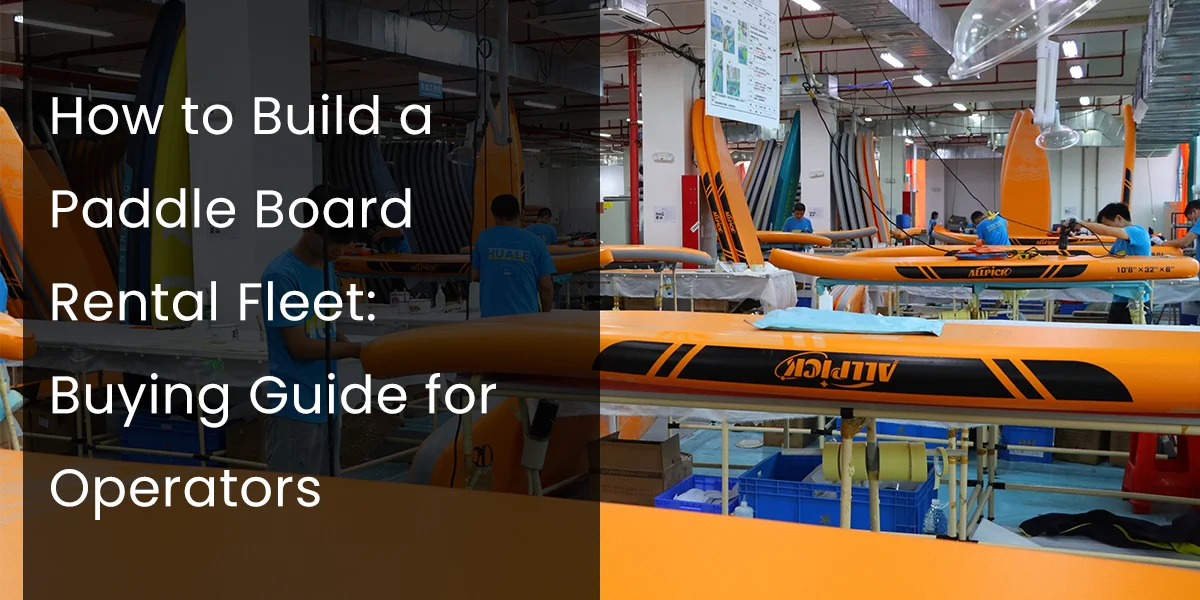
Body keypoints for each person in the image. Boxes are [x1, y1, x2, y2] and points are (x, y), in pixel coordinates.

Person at [261, 185, 363, 476]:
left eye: (345, 243)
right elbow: (299, 346)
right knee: (294, 501)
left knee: (327, 495)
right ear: (308, 226)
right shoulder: (281, 274)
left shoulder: (326, 268)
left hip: (328, 404)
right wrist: (358, 350)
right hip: (295, 407)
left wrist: (362, 347)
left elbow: (327, 329)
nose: (339, 250)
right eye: (333, 242)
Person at [472, 194, 556, 317]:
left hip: (491, 320)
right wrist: (545, 315)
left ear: (494, 216)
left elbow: (474, 275)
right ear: (519, 214)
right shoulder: (536, 242)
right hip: (526, 319)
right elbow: (547, 287)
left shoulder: (483, 238)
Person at [1073, 202, 1151, 324]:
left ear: (1119, 218)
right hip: (1119, 300)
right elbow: (1107, 260)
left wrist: (1082, 224)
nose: (1107, 230)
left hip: (1136, 302)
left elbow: (1107, 231)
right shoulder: (1119, 242)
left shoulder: (1138, 232)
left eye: (1109, 225)